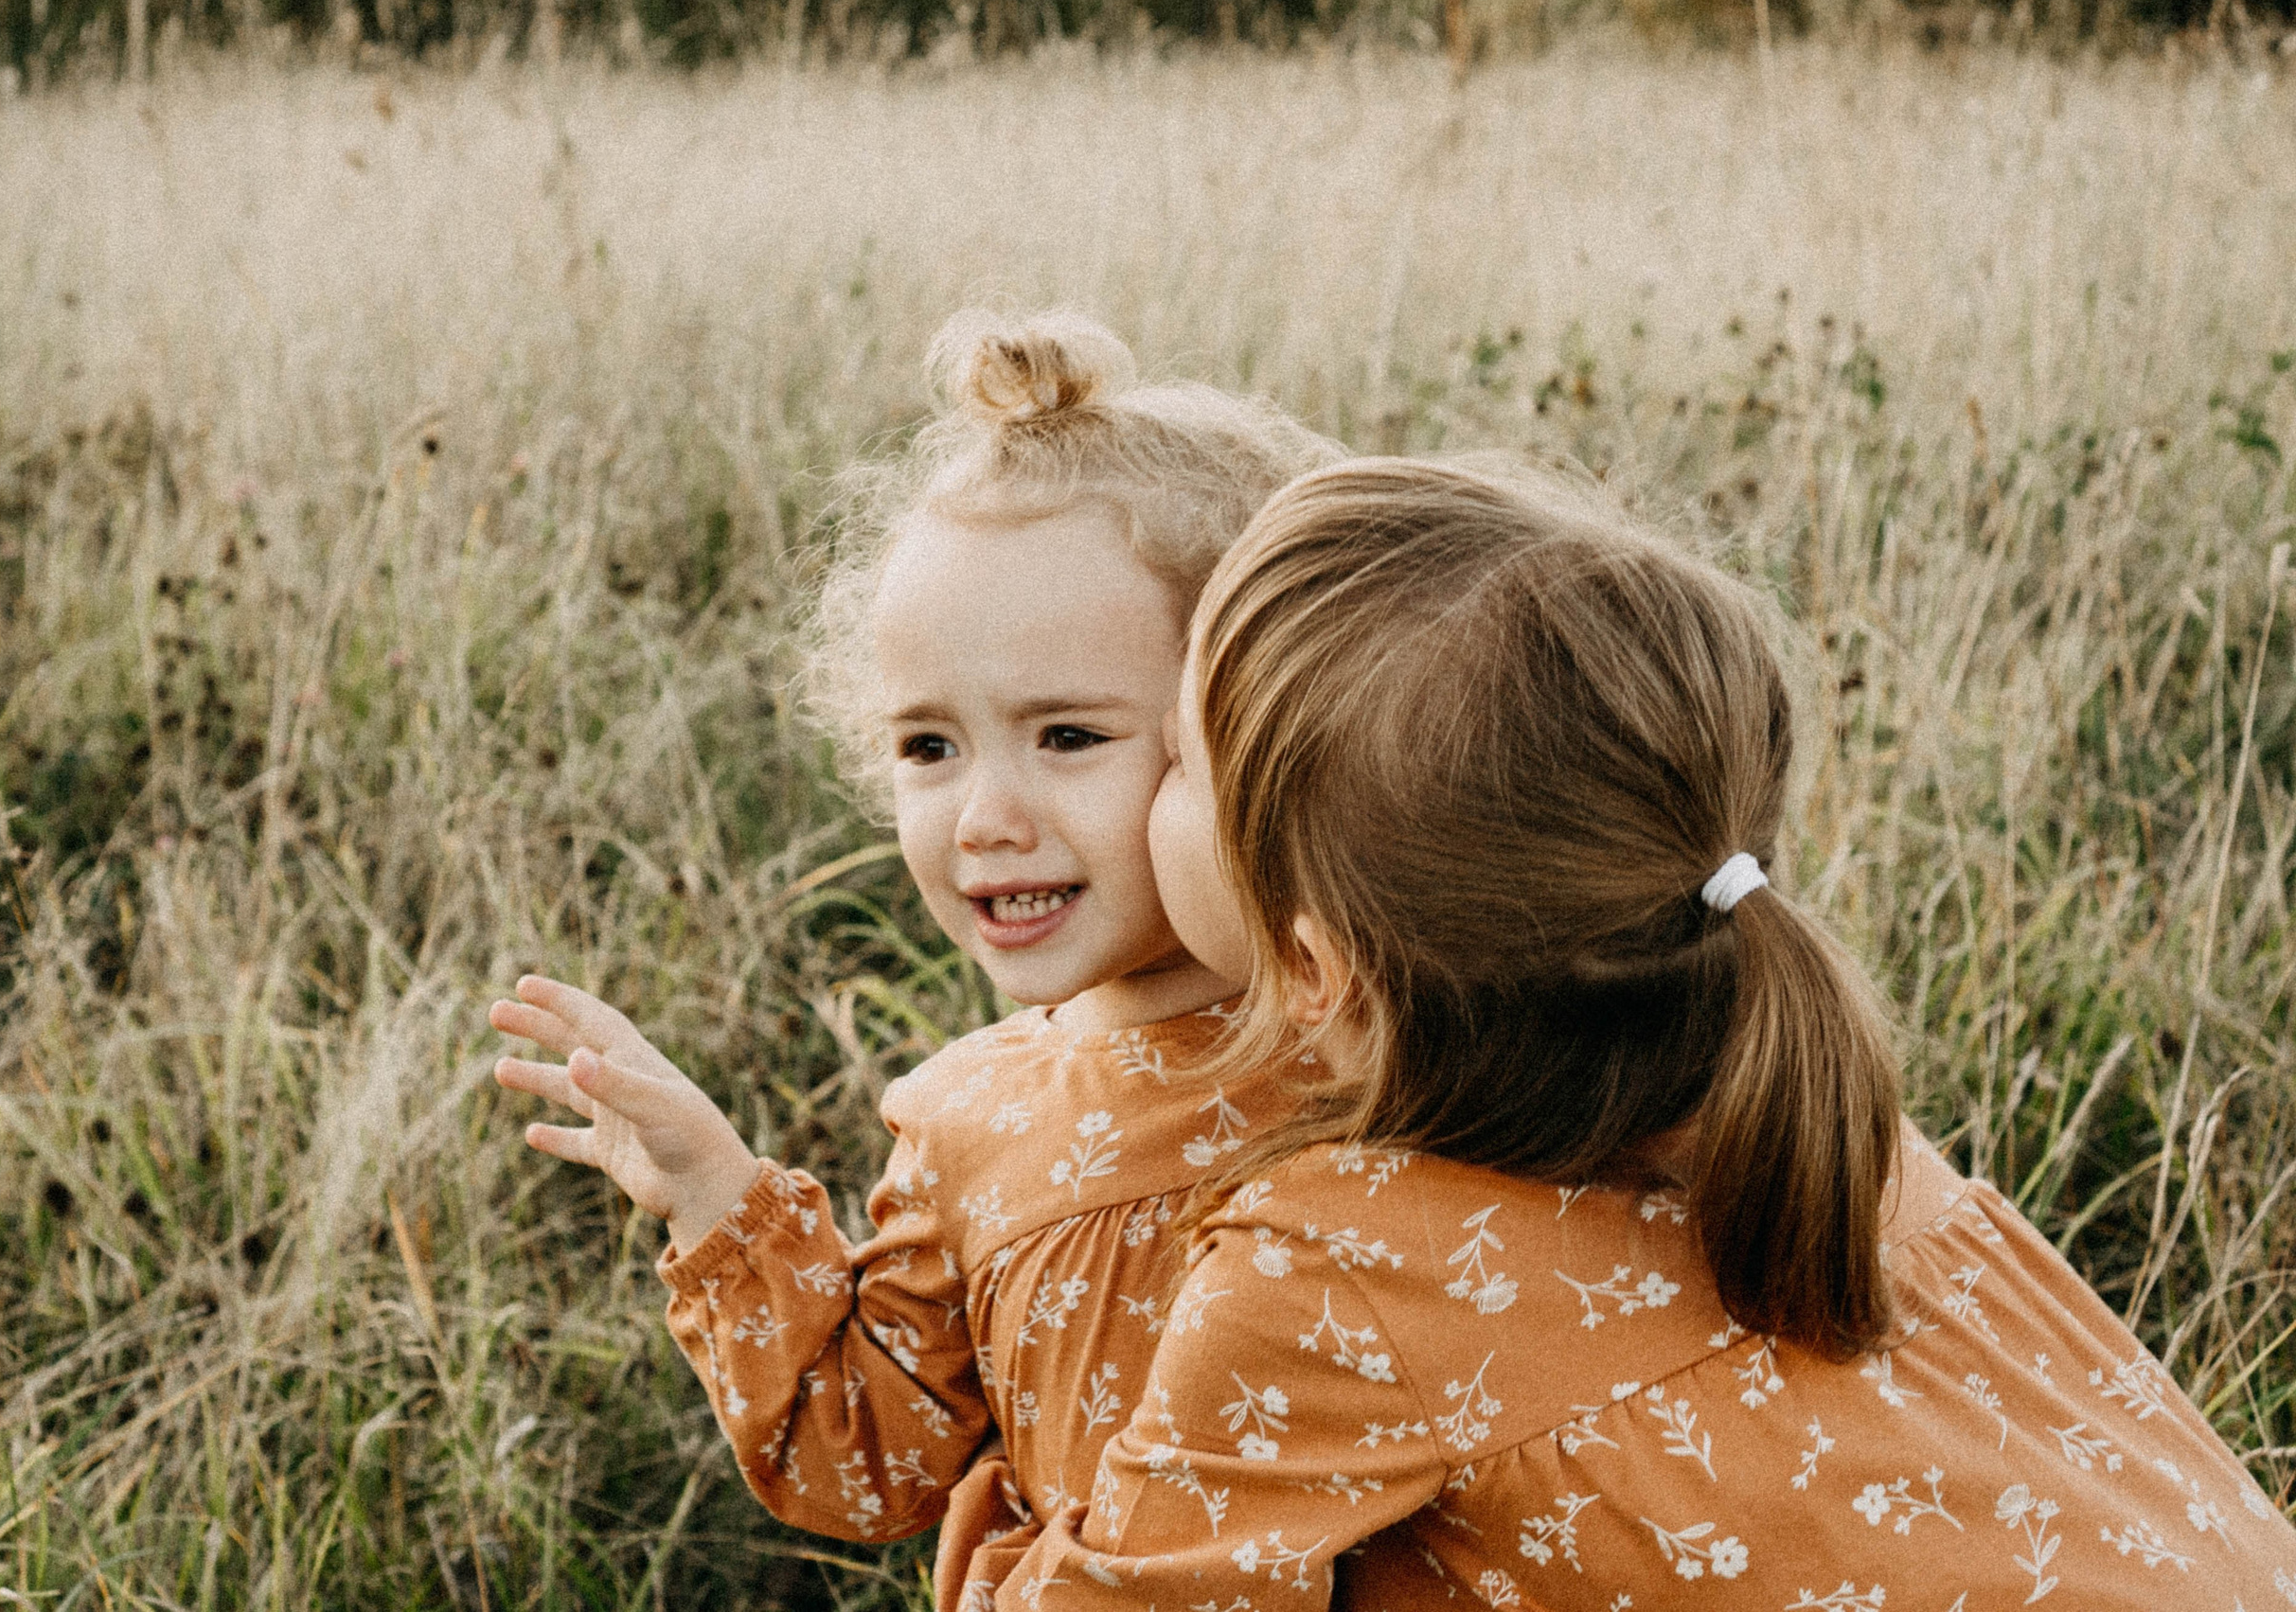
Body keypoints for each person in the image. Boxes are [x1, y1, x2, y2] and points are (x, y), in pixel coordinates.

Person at [990, 456, 2296, 1607]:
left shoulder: (1338, 1268)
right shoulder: (1813, 1116)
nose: (1147, 777)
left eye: (1182, 758)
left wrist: (998, 1508)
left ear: (1314, 966)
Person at [487, 310, 1341, 1611]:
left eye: (1067, 736)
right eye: (928, 748)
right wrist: (712, 1192)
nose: (984, 818)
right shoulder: (967, 1124)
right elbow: (868, 1468)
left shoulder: (1396, 1039)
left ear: (1258, 727)